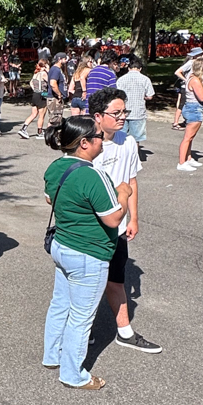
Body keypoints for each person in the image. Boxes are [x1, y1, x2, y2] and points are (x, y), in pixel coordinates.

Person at [42, 116, 132, 388]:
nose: (102, 141)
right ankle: (73, 374)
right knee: (81, 317)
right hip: (88, 254)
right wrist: (124, 193)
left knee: (60, 304)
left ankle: (52, 354)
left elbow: (49, 197)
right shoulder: (94, 175)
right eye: (98, 136)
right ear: (84, 143)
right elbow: (113, 219)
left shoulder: (56, 167)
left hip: (62, 245)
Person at [89, 87, 162, 353]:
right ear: (98, 116)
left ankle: (125, 332)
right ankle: (82, 332)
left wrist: (134, 218)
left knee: (116, 279)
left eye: (124, 112)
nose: (122, 117)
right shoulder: (84, 142)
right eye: (116, 113)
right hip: (90, 227)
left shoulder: (128, 142)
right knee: (88, 282)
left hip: (118, 226)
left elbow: (131, 181)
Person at [116, 56, 155, 148]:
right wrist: (144, 97)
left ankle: (121, 155)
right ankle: (134, 155)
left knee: (120, 137)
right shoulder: (145, 79)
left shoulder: (121, 79)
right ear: (140, 68)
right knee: (135, 139)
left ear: (128, 68)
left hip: (123, 112)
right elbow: (150, 96)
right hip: (138, 112)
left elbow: (116, 95)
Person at [172, 46, 203, 128]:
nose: (202, 56)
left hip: (195, 86)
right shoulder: (191, 63)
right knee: (182, 104)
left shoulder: (199, 63)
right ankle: (176, 122)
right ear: (195, 55)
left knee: (190, 104)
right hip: (187, 87)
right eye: (200, 54)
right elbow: (177, 72)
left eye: (202, 54)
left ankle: (187, 120)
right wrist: (186, 80)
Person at [19, 58, 49, 138]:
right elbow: (50, 82)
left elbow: (31, 82)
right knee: (41, 115)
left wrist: (35, 89)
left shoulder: (36, 73)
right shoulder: (44, 73)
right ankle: (39, 132)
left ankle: (23, 128)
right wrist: (48, 71)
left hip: (35, 94)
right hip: (42, 94)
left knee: (33, 114)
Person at [46, 52, 68, 128]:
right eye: (65, 58)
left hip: (56, 99)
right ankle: (52, 134)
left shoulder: (58, 69)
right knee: (55, 120)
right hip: (55, 99)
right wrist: (59, 94)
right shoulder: (56, 70)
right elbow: (53, 83)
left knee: (55, 120)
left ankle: (51, 134)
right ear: (59, 59)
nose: (66, 60)